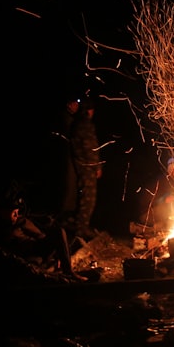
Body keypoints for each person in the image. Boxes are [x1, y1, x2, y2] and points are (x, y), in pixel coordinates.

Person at [66, 97, 102, 240]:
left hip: (80, 166)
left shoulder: (76, 123)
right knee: (88, 199)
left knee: (83, 198)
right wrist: (96, 166)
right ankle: (81, 229)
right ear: (89, 110)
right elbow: (90, 148)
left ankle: (79, 226)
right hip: (87, 168)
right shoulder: (86, 125)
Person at [149, 156, 174, 232]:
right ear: (171, 170)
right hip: (159, 210)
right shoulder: (163, 181)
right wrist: (164, 199)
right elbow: (153, 201)